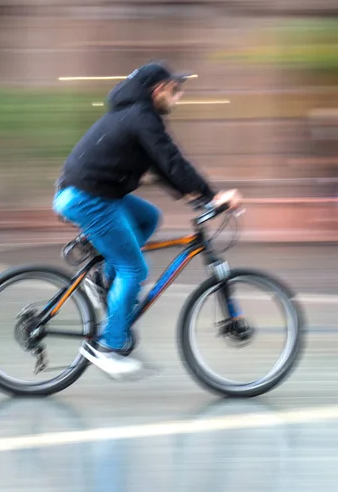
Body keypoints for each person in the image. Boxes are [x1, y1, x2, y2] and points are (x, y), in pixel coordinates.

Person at [53, 61, 240, 378]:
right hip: (86, 197)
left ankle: (107, 283)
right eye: (175, 90)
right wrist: (212, 197)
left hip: (93, 194)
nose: (178, 98)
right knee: (134, 268)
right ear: (159, 90)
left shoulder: (135, 116)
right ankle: (107, 348)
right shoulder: (142, 117)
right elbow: (171, 160)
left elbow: (162, 167)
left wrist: (194, 197)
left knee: (148, 217)